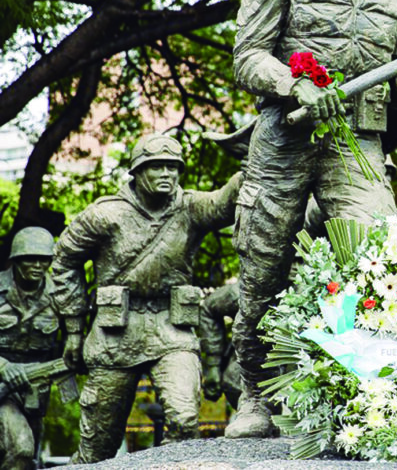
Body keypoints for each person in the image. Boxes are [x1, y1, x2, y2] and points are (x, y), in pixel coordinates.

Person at [228, 0, 397, 438]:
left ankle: (373, 387)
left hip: (359, 140)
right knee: (264, 264)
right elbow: (247, 55)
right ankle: (254, 393)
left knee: (379, 254)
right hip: (285, 137)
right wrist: (292, 83)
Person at [51, 134, 242, 463]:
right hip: (115, 336)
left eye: (173, 167)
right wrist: (73, 328)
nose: (167, 174)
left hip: (171, 330)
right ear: (137, 172)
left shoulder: (190, 208)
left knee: (184, 421)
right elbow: (64, 262)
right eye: (157, 167)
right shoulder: (105, 215)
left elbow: (224, 204)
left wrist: (249, 171)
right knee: (98, 447)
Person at [0, 227, 62, 470]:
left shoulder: (61, 295)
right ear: (15, 260)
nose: (37, 265)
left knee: (29, 456)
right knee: (21, 449)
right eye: (30, 258)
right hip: (4, 385)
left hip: (37, 389)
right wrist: (4, 367)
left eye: (43, 259)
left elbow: (73, 343)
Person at [198, 282, 242, 410]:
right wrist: (213, 365)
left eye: (300, 261)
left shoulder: (303, 289)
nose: (295, 267)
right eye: (292, 262)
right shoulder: (246, 292)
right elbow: (209, 308)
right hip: (245, 380)